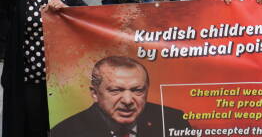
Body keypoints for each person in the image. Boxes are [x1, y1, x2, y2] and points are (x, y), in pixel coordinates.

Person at [0, 0, 86, 137]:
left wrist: (67, 10)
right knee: (34, 130)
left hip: (65, 82)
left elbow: (89, 19)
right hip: (30, 81)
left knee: (65, 130)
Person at [50, 56, 190, 136]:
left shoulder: (173, 120)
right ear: (95, 93)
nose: (128, 101)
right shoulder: (65, 132)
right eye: (116, 90)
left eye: (137, 90)